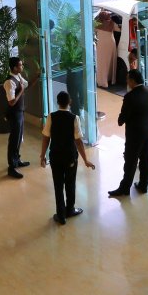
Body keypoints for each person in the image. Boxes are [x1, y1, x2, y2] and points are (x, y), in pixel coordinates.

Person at [39, 91, 96, 224]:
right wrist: (85, 159)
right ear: (69, 102)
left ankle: (61, 215)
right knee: (70, 183)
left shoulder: (51, 117)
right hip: (70, 157)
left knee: (58, 185)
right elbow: (78, 141)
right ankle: (70, 209)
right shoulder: (74, 118)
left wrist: (42, 155)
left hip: (55, 157)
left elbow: (46, 138)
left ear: (57, 102)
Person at [108, 69, 148, 197]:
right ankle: (143, 185)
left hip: (135, 135)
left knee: (130, 161)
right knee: (146, 160)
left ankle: (124, 188)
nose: (127, 81)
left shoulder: (130, 97)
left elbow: (121, 119)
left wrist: (121, 119)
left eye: (128, 79)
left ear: (133, 81)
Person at [5, 57, 32, 179]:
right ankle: (11, 167)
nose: (22, 67)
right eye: (20, 66)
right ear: (15, 68)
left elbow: (26, 86)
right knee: (14, 139)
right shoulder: (9, 82)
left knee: (19, 137)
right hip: (14, 114)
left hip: (20, 112)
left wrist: (37, 76)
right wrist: (20, 90)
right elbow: (11, 102)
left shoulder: (18, 77)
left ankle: (17, 160)